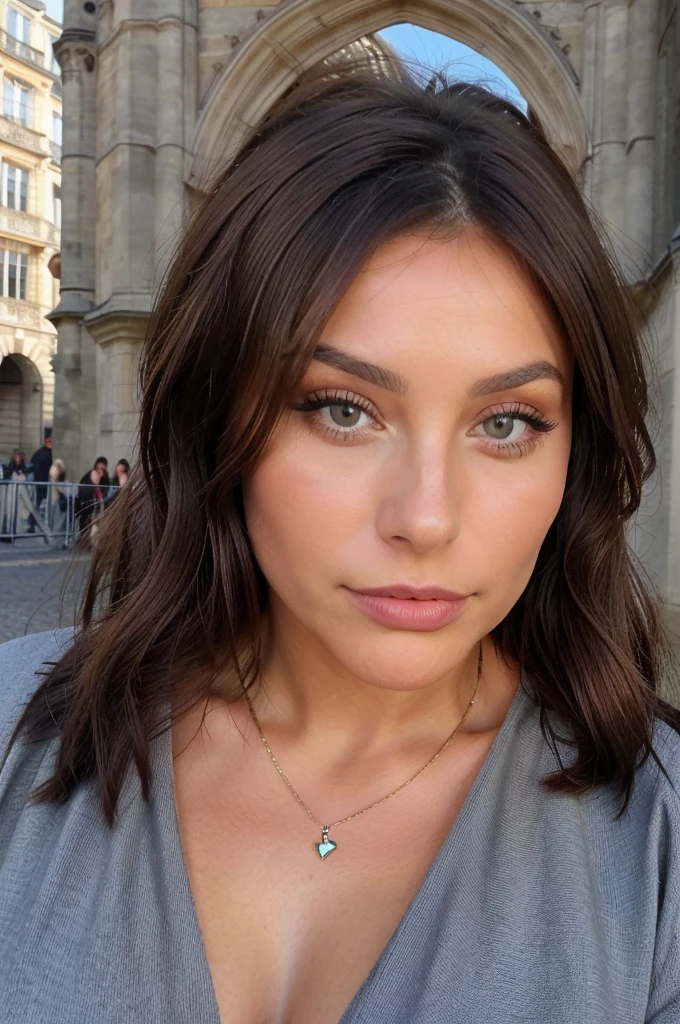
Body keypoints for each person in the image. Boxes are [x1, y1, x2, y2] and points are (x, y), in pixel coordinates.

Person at [0, 62, 679, 1024]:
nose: (427, 518)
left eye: (507, 423)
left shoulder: (658, 851)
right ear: (215, 415)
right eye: (343, 409)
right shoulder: (12, 735)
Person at [27, 433, 53, 533]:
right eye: (48, 441)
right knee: (37, 504)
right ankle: (33, 523)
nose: (50, 443)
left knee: (38, 504)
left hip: (42, 481)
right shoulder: (43, 453)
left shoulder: (41, 452)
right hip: (42, 482)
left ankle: (34, 523)